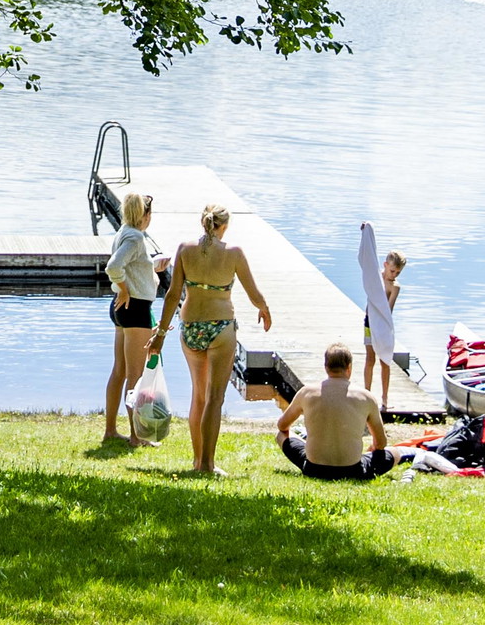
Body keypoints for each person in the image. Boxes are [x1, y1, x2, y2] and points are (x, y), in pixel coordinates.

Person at [155, 203, 272, 475]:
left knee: (198, 396)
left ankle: (197, 461)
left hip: (191, 327)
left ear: (203, 223)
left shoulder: (185, 249)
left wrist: (160, 333)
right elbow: (254, 293)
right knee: (214, 398)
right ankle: (207, 465)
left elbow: (172, 295)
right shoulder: (233, 253)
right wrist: (264, 308)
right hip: (220, 328)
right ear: (224, 226)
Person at [279, 345, 398, 479]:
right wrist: (373, 447)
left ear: (326, 367)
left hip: (314, 469)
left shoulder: (307, 392)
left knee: (282, 435)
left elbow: (282, 426)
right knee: (394, 452)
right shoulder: (366, 397)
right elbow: (381, 443)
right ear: (349, 368)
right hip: (353, 470)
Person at [101, 191, 164, 442]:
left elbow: (129, 265)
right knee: (135, 376)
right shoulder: (136, 238)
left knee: (120, 370)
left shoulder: (123, 232)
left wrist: (152, 265)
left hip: (120, 308)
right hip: (134, 308)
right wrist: (125, 289)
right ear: (145, 215)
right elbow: (114, 267)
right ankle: (136, 435)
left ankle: (110, 431)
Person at [351, 227, 405, 415]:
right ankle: (367, 394)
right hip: (368, 322)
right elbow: (366, 257)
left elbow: (387, 310)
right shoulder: (375, 277)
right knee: (370, 358)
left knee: (385, 361)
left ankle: (384, 399)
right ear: (385, 265)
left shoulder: (395, 287)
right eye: (391, 270)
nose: (393, 275)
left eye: (397, 272)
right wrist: (366, 230)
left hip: (383, 326)